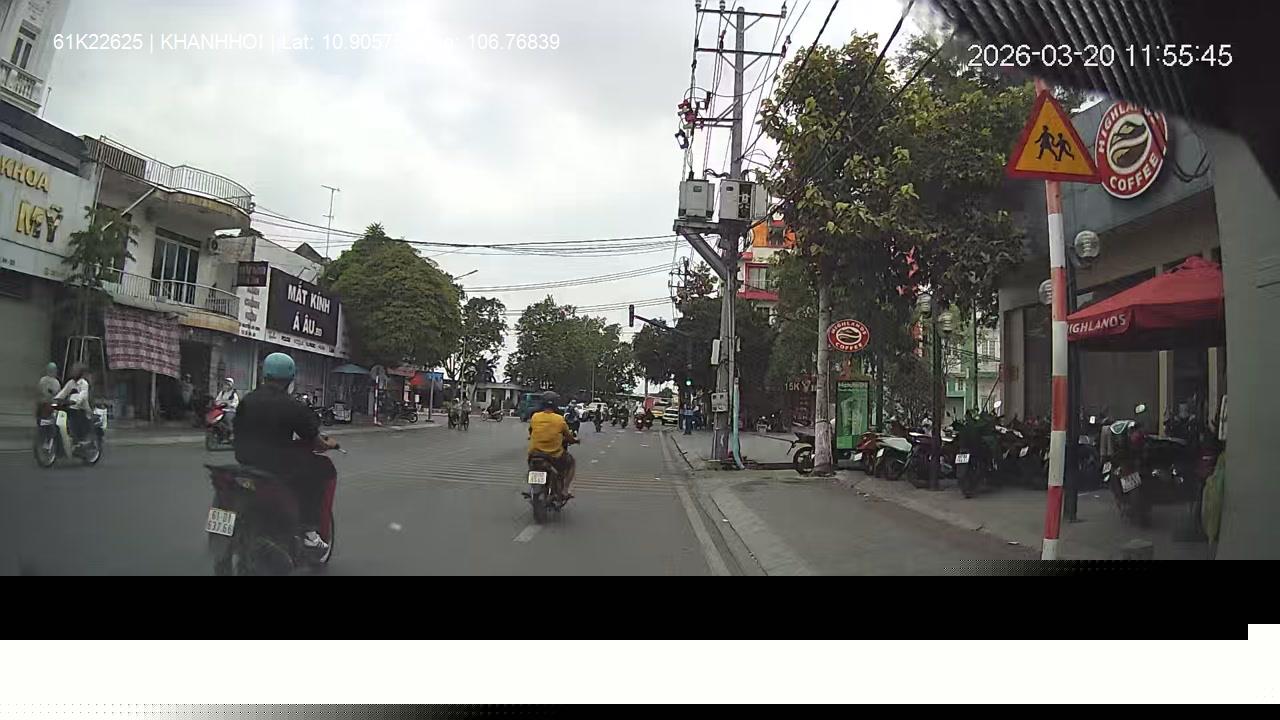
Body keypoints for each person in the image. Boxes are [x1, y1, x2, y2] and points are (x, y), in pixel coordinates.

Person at [233, 352, 339, 553]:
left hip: (245, 463)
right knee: (319, 471)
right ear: (290, 379)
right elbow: (314, 440)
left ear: (264, 374)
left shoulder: (247, 400)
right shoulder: (292, 405)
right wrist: (329, 444)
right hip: (276, 466)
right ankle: (309, 531)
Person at [527, 391, 578, 500]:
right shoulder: (559, 419)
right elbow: (568, 436)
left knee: (532, 466)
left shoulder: (535, 417)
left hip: (534, 454)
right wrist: (575, 441)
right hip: (553, 455)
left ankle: (533, 487)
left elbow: (531, 431)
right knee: (571, 463)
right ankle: (564, 490)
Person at [53, 362, 92, 446]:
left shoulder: (84, 383)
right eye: (73, 370)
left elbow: (83, 395)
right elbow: (63, 392)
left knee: (75, 422)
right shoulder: (71, 383)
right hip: (70, 408)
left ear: (80, 372)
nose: (73, 372)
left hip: (81, 409)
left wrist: (76, 401)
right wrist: (56, 399)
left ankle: (78, 440)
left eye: (76, 371)